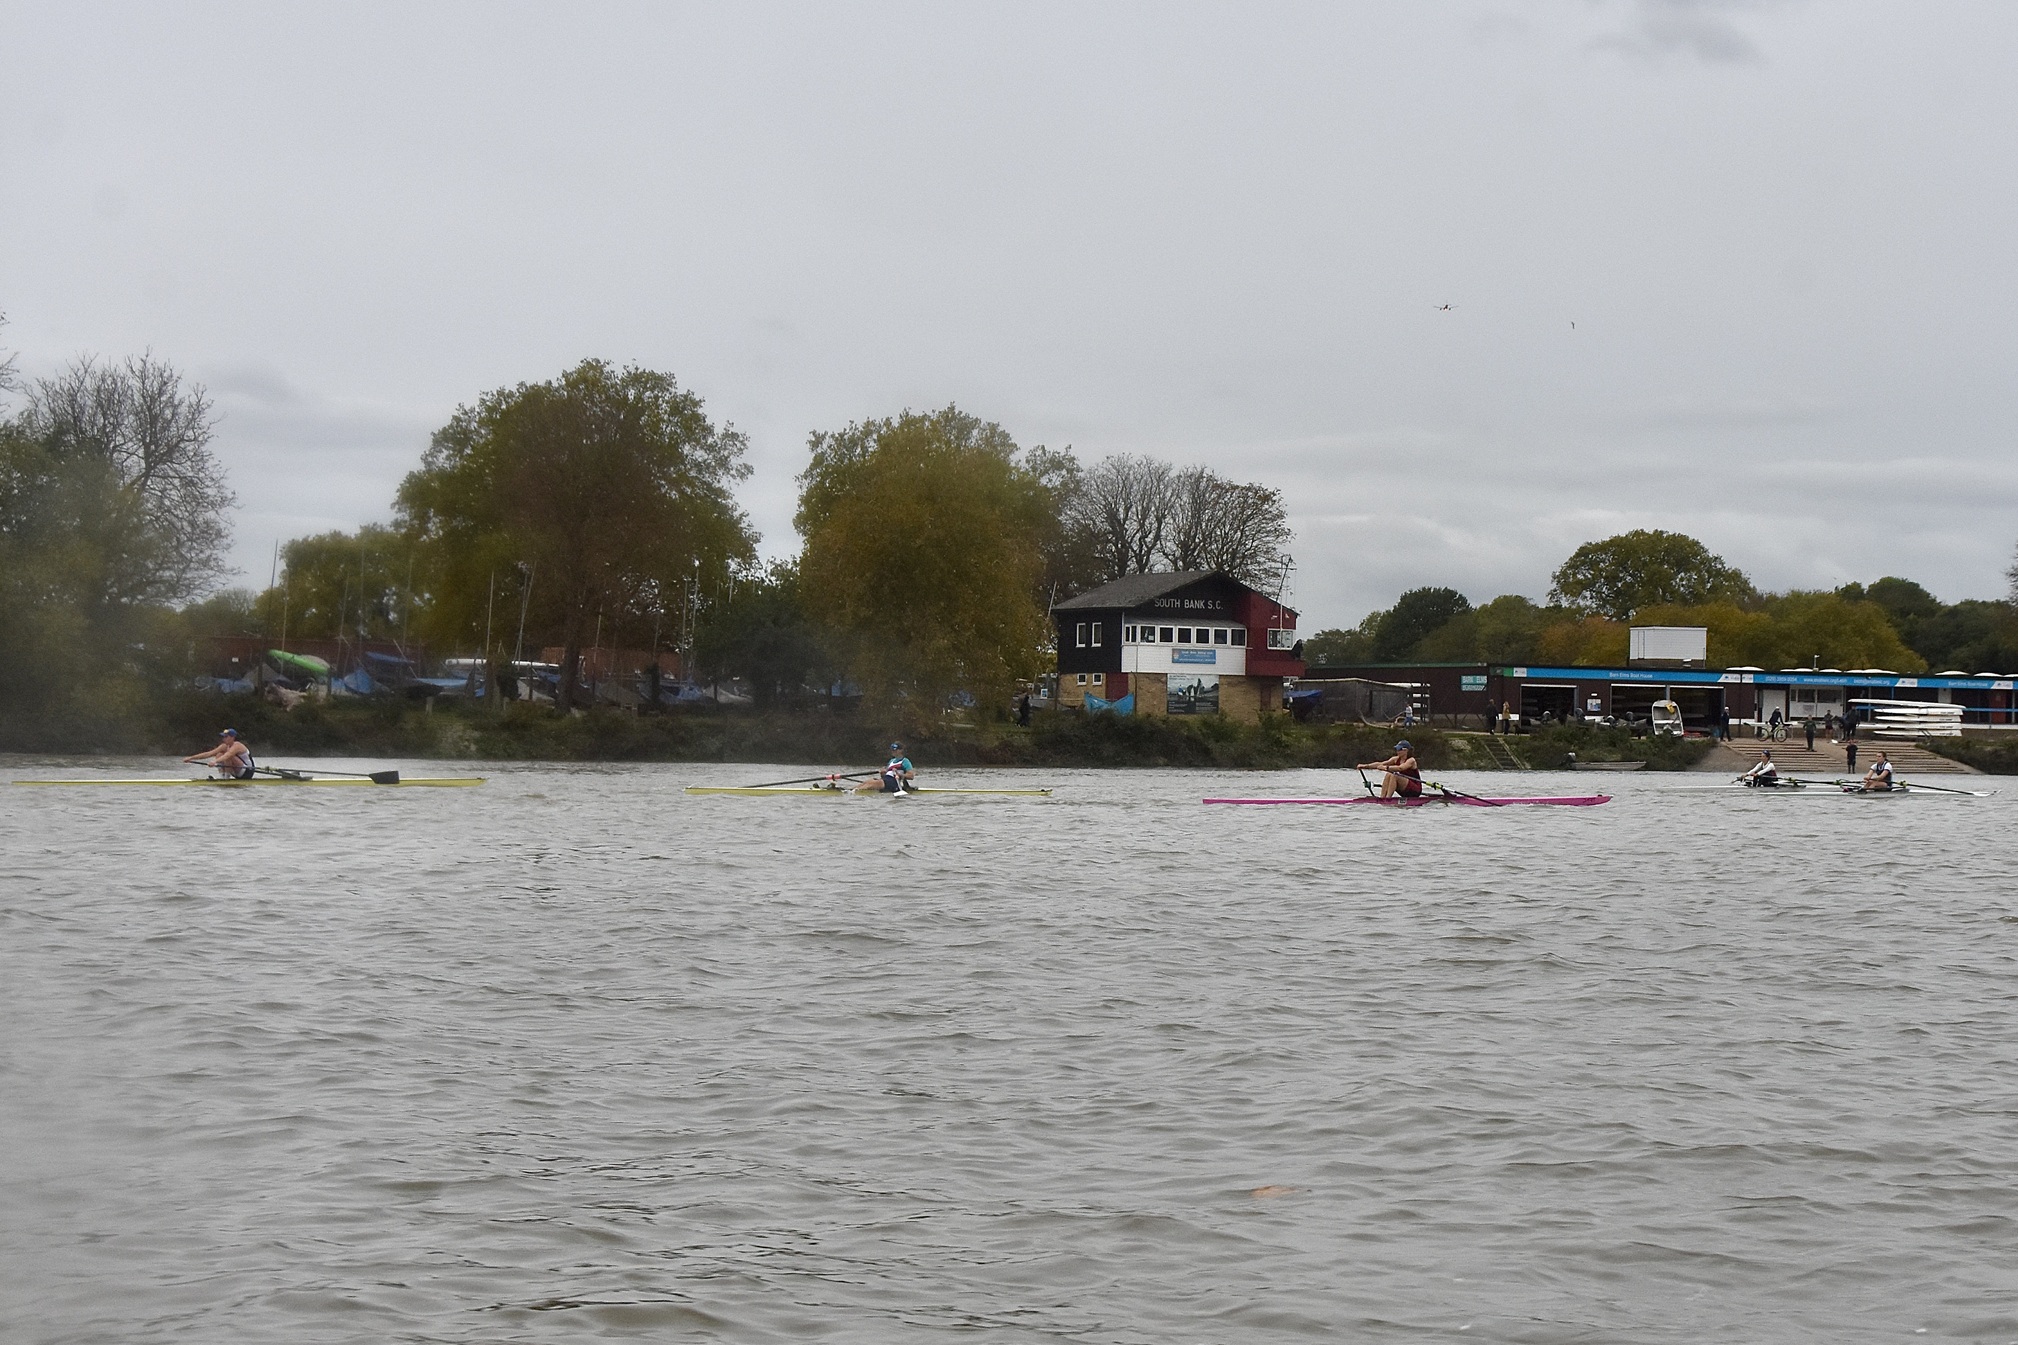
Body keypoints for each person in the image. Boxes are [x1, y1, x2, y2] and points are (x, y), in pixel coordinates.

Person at [1358, 740, 1423, 799]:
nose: (1397, 751)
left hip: (1415, 790)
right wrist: (1365, 766)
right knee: (1388, 774)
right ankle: (1382, 797)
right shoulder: (1395, 759)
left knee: (1394, 776)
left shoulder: (1411, 760)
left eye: (1399, 749)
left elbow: (1401, 768)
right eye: (1396, 749)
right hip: (1405, 789)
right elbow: (1380, 763)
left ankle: (1388, 798)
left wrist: (1386, 768)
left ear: (1405, 750)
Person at [184, 728, 255, 780]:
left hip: (247, 772)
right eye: (223, 737)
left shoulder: (237, 745)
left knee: (227, 756)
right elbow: (209, 754)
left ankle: (226, 779)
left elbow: (227, 755)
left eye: (226, 737)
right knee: (219, 754)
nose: (223, 739)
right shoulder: (224, 746)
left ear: (232, 737)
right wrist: (191, 758)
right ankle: (223, 777)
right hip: (237, 771)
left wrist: (215, 762)